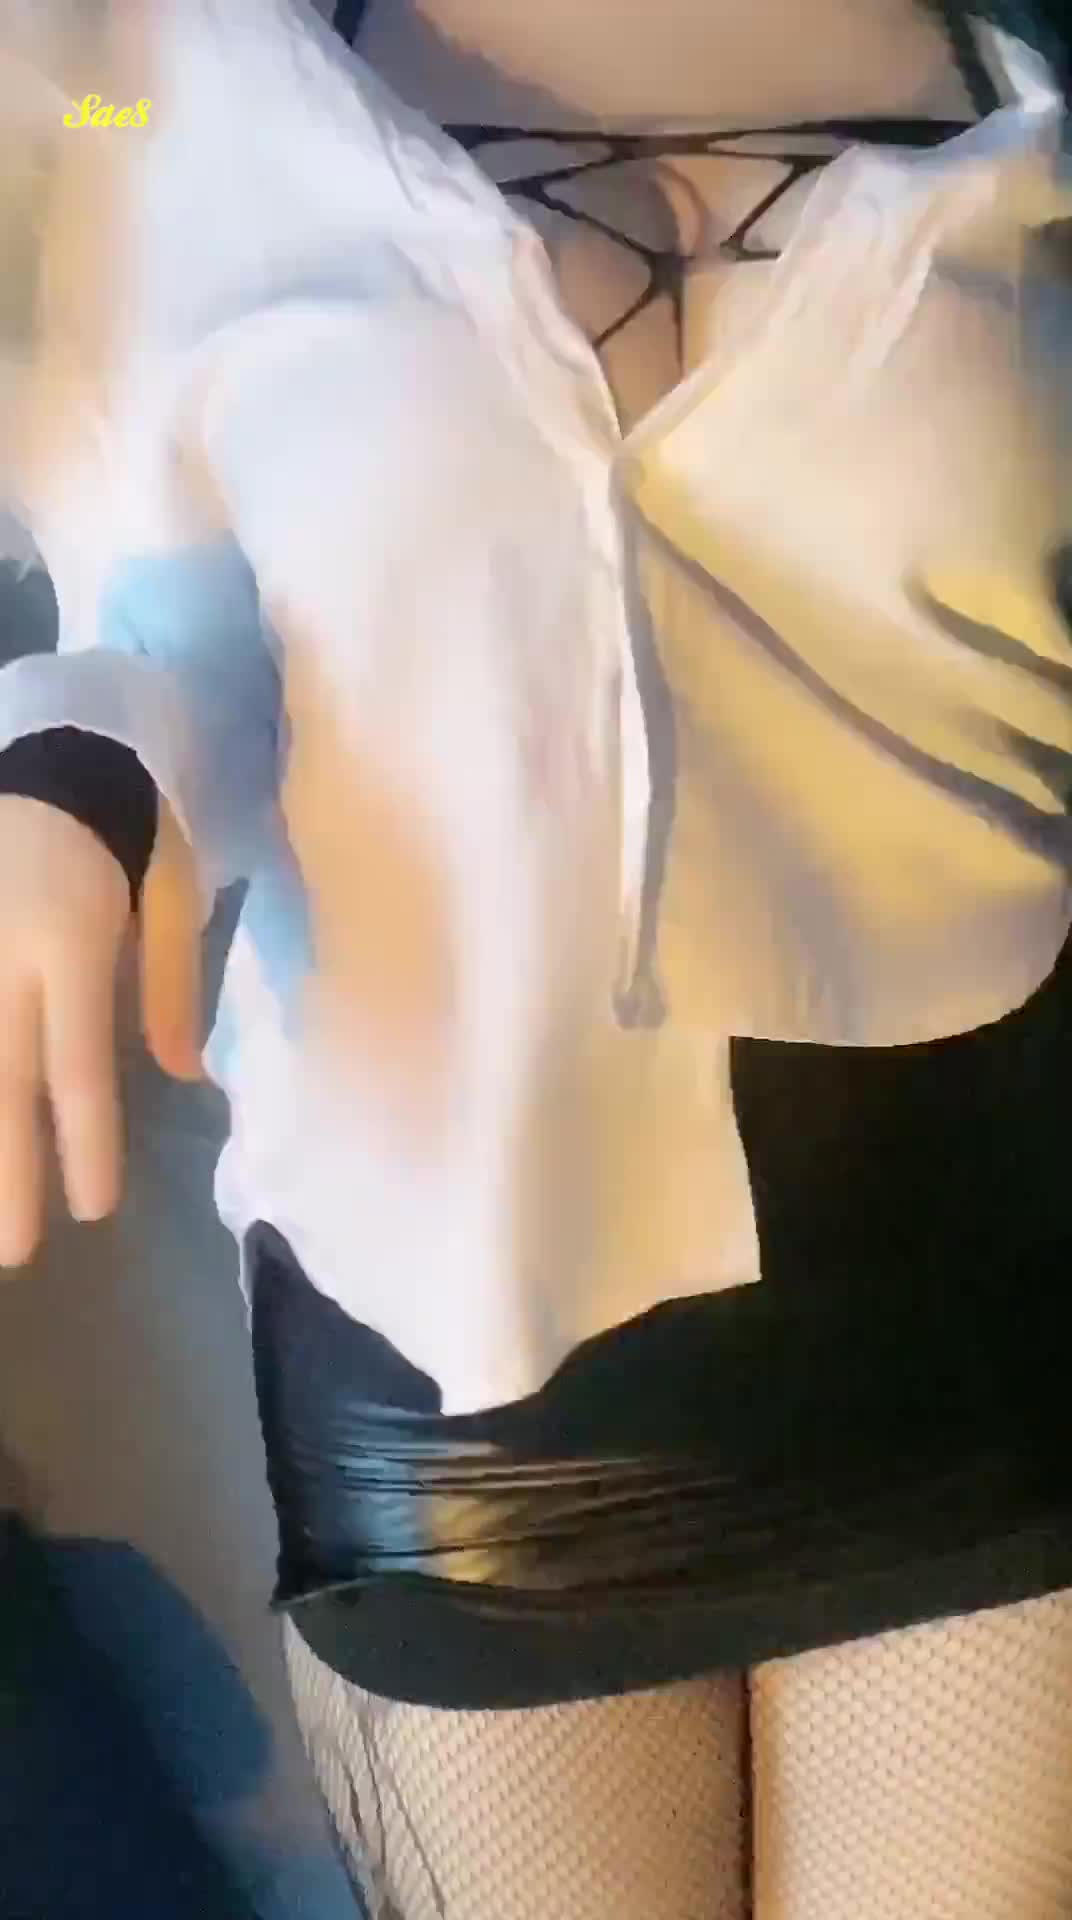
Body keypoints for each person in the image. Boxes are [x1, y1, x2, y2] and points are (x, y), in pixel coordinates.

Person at [0, 2, 1071, 1916]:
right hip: (468, 1331)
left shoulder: (1015, 67)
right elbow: (177, 619)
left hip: (999, 1290)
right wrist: (76, 758)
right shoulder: (131, 79)